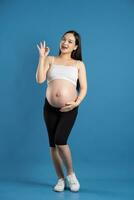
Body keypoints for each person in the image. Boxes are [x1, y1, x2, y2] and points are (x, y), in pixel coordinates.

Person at [36, 30, 87, 192]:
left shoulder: (78, 64)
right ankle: (60, 179)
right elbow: (39, 80)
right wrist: (42, 57)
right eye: (64, 39)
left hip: (69, 108)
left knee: (60, 140)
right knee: (52, 145)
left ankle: (71, 175)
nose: (65, 43)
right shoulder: (50, 59)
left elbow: (84, 88)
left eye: (70, 41)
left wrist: (76, 103)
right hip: (49, 108)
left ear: (75, 47)